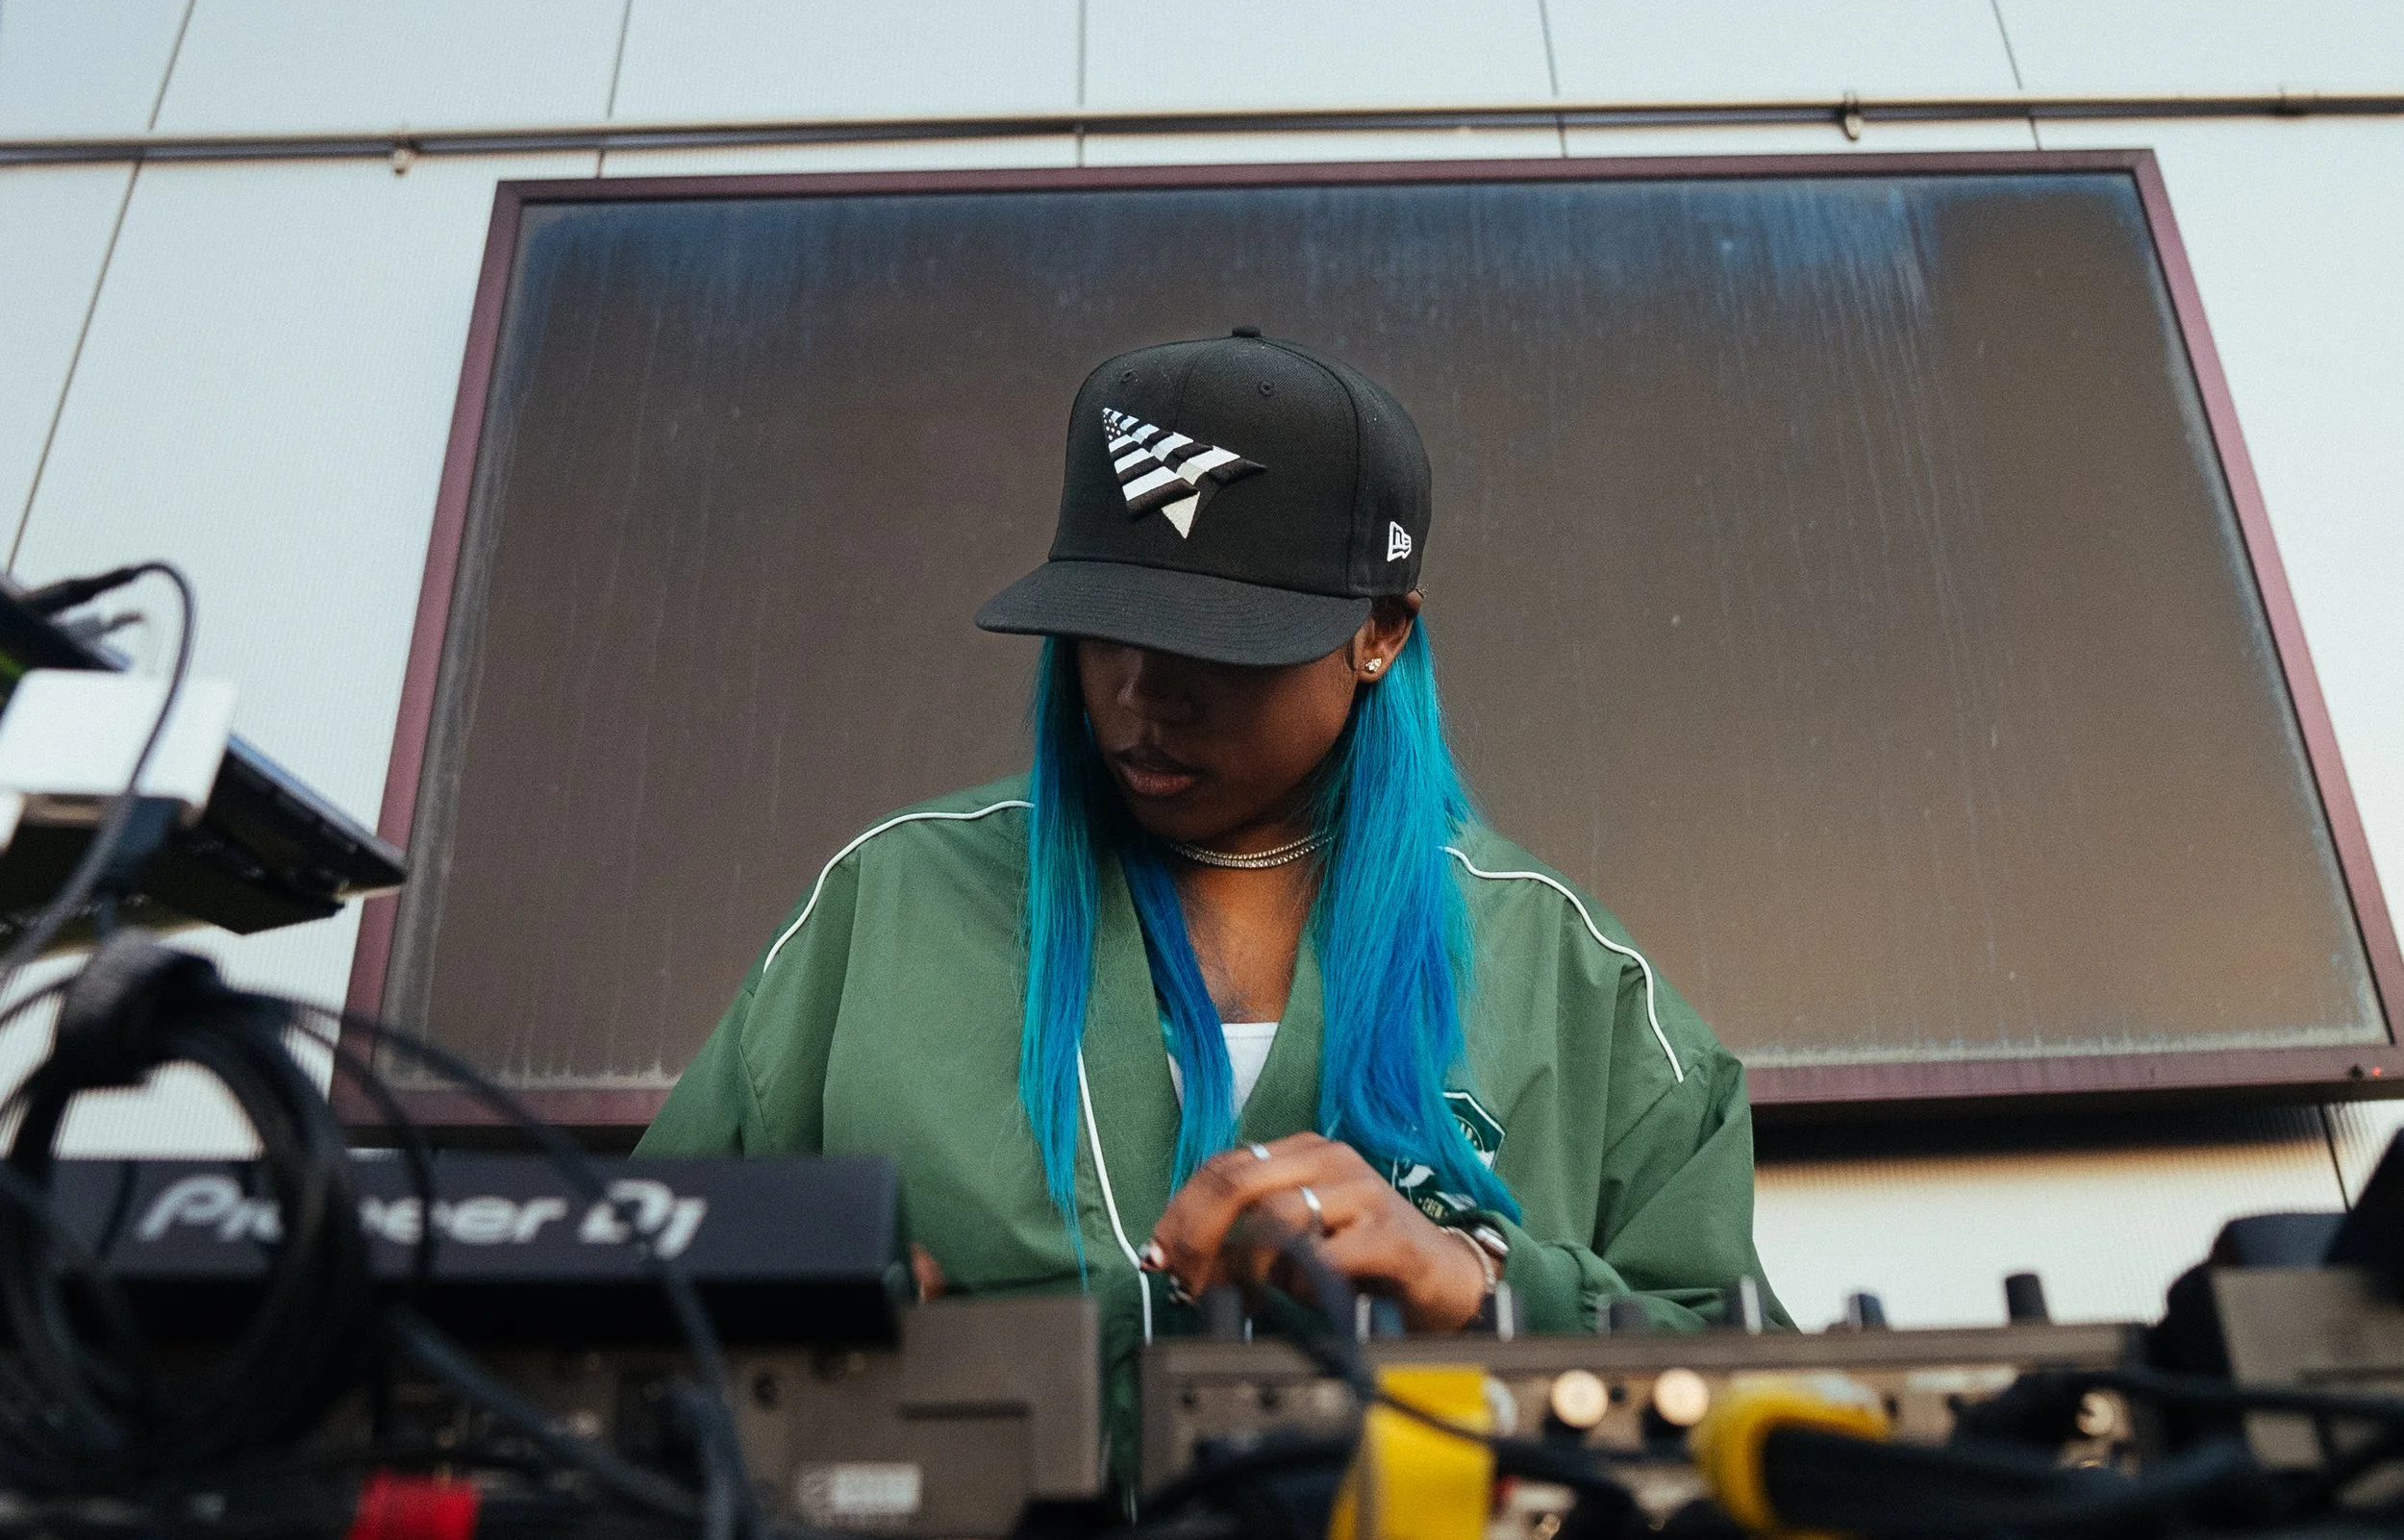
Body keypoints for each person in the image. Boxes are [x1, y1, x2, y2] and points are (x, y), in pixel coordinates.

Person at [640, 329, 1782, 1474]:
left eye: (1217, 639)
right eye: (1103, 627)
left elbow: (1756, 1385)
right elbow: (614, 1308)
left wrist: (1474, 1283)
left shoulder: (1573, 980)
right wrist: (830, 1310)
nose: (1141, 693)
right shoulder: (887, 909)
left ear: (1377, 630)